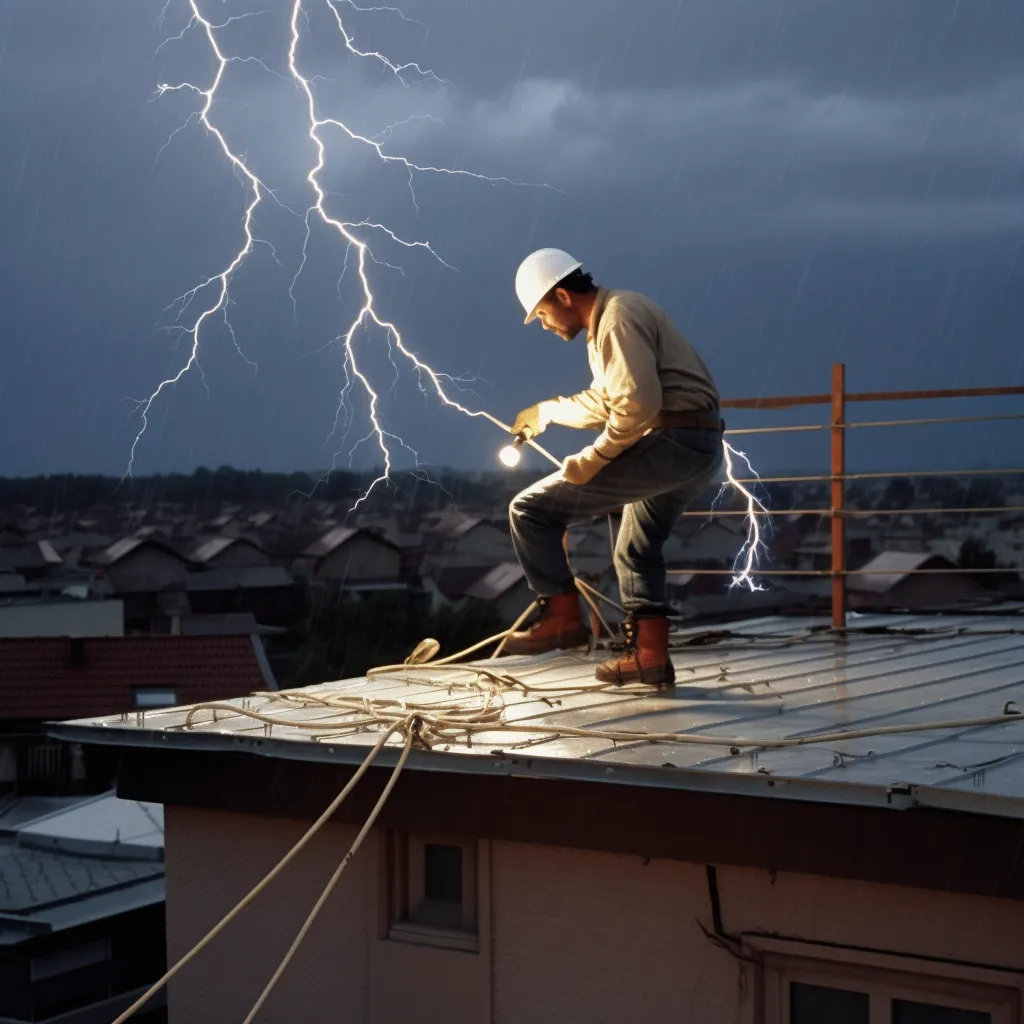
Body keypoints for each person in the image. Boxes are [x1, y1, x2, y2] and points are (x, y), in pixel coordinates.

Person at [504, 247, 724, 686]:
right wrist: (546, 412)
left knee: (530, 510)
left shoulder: (618, 317)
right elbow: (609, 400)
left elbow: (637, 405)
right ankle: (649, 657)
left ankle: (562, 620)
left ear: (563, 296)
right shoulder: (614, 316)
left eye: (543, 314)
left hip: (671, 443)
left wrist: (591, 460)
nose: (544, 326)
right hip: (697, 446)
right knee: (635, 550)